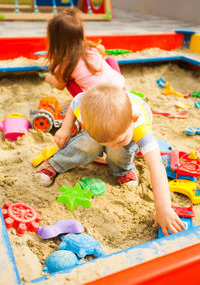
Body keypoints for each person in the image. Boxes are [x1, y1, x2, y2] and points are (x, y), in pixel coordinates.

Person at [35, 84, 185, 236]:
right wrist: (66, 128)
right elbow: (75, 103)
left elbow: (156, 167)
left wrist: (164, 208)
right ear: (85, 124)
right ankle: (57, 163)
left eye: (118, 140)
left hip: (131, 125)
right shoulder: (84, 106)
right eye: (107, 145)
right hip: (102, 123)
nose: (111, 147)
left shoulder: (140, 126)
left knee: (121, 150)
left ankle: (122, 168)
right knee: (87, 144)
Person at [44, 8, 125, 97]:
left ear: (55, 41)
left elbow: (60, 86)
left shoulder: (65, 65)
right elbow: (101, 48)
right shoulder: (91, 48)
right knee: (110, 60)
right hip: (121, 92)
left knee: (68, 79)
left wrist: (50, 79)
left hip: (98, 102)